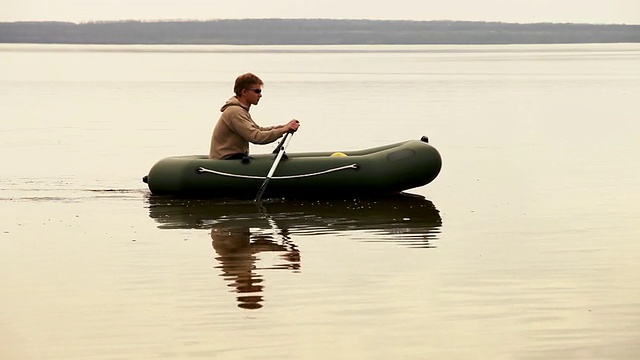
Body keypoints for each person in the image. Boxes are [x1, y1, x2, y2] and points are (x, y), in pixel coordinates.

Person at [209, 73, 300, 160]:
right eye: (257, 91)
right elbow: (256, 137)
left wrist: (284, 127)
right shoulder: (235, 112)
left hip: (234, 157)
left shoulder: (240, 110)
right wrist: (283, 130)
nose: (260, 95)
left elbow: (257, 129)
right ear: (244, 92)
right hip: (227, 160)